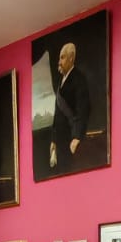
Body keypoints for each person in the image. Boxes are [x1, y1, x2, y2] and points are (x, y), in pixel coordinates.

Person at [50, 42, 90, 170]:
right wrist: (54, 140)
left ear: (71, 58)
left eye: (62, 58)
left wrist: (77, 136)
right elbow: (57, 113)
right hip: (60, 140)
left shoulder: (79, 79)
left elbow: (83, 109)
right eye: (59, 58)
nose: (59, 62)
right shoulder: (61, 81)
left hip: (71, 139)